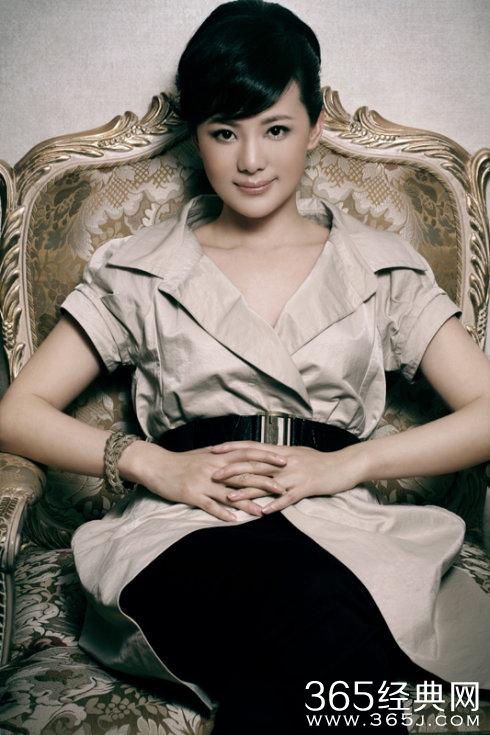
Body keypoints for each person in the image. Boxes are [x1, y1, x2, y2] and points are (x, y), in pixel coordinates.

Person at [1, 1, 490, 732]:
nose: (251, 160)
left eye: (276, 129)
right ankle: (412, 700)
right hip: (185, 526)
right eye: (225, 131)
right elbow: (16, 412)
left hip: (334, 521)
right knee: (296, 608)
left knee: (301, 637)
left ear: (316, 127)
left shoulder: (380, 265)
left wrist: (347, 466)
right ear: (196, 135)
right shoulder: (139, 266)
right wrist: (152, 465)